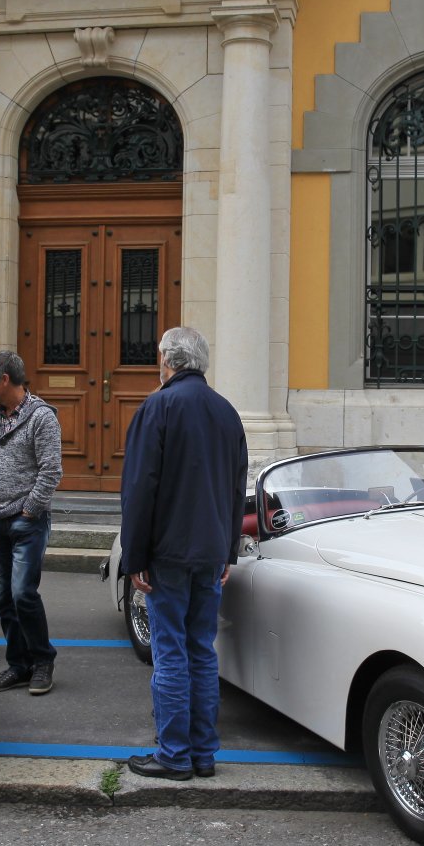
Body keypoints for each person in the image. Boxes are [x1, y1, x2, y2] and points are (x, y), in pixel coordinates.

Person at [118, 327, 247, 781]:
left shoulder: (158, 406)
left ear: (168, 361)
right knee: (202, 651)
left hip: (168, 552)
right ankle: (203, 753)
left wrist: (134, 556)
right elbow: (236, 488)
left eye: (159, 357)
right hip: (210, 551)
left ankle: (174, 754)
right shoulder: (227, 412)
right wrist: (227, 551)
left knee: (170, 651)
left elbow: (139, 488)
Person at [0, 350, 63, 695]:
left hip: (27, 522)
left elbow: (51, 470)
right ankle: (20, 665)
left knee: (23, 593)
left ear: (5, 379)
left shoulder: (42, 417)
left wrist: (30, 509)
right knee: (4, 598)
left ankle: (43, 661)